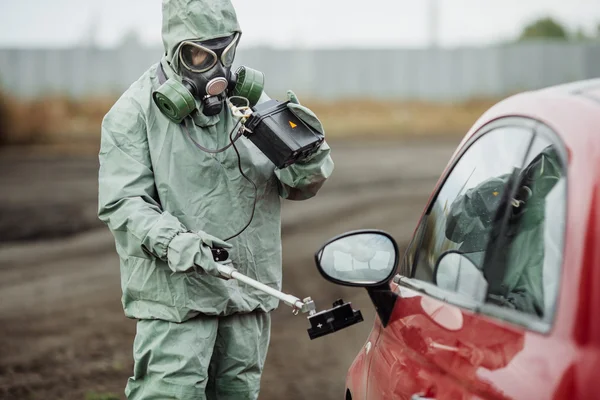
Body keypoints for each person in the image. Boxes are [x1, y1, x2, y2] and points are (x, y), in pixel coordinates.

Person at [97, 1, 334, 399]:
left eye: (225, 53)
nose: (217, 69)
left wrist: (308, 152)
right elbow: (124, 204)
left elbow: (300, 185)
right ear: (176, 51)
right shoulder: (133, 112)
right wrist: (175, 241)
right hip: (176, 302)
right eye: (201, 55)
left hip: (246, 296)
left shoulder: (252, 107)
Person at [444, 145, 561, 317]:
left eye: (551, 181)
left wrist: (508, 307)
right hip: (462, 291)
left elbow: (542, 297)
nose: (541, 182)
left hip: (497, 318)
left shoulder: (554, 225)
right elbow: (453, 232)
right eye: (539, 169)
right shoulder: (501, 188)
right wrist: (474, 200)